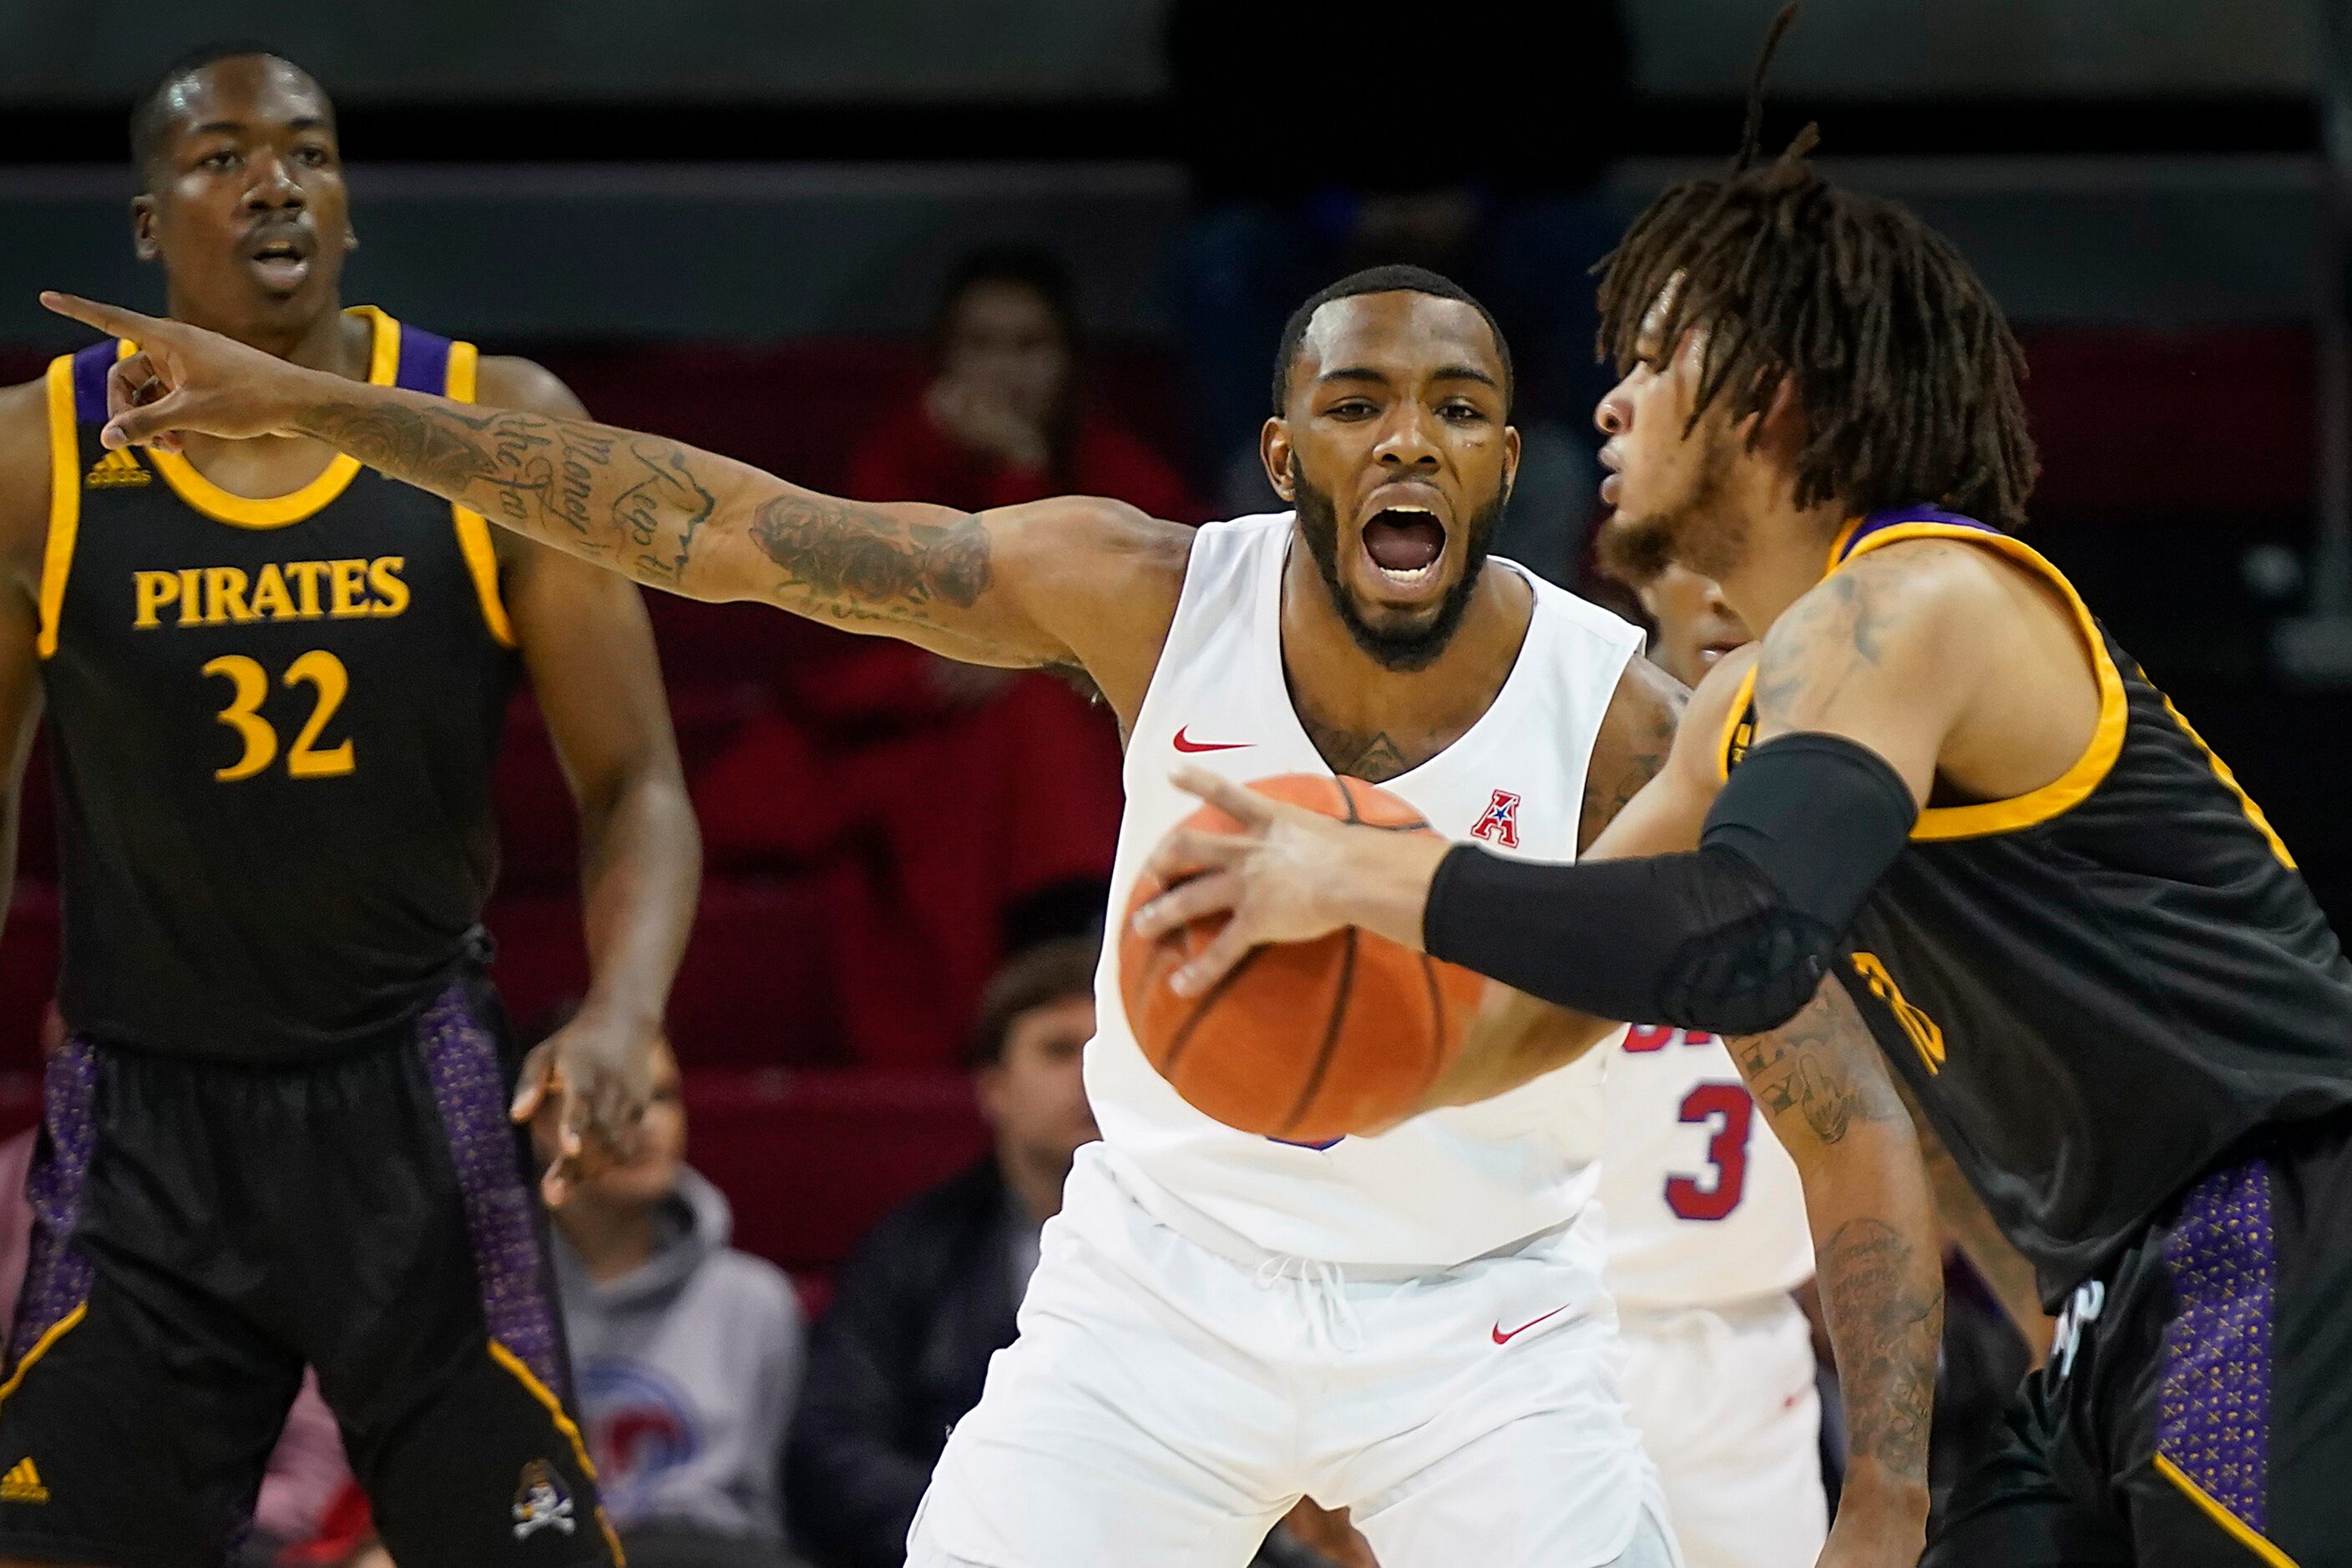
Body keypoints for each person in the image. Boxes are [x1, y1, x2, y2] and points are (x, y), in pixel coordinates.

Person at [41, 259, 1948, 1561]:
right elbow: (704, 524)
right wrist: (340, 412)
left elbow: (1848, 1110)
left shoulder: (1614, 715)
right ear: (1280, 457)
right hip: (1156, 1290)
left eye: (1455, 405)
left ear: (1500, 462)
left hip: (1490, 1326)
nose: (1404, 437)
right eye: (1355, 402)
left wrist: (1877, 1506)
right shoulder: (1135, 589)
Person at [1113, 108, 2352, 1568]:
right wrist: (1327, 1109)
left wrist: (1354, 866)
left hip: (2265, 1218)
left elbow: (1746, 933)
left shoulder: (1917, 598)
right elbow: (1553, 998)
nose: (1613, 402)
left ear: (1766, 399)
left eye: (1653, 361)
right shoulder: (1736, 714)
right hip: (2107, 1289)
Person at [3, 45, 701, 1568]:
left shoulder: (495, 420)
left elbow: (635, 777)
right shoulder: (34, 463)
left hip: (414, 1095)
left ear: (349, 207)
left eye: (309, 153)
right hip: (143, 1110)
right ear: (142, 221)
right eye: (223, 154)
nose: (274, 181)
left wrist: (623, 1009)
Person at [1591, 519, 1828, 1568]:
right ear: (1641, 569)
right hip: (1545, 1337)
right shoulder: (1555, 764)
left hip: (1752, 1349)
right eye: (1705, 559)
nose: (1731, 596)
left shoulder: (1869, 800)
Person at [786, 937, 1099, 1568]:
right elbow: (832, 1448)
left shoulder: (1200, 1245)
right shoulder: (910, 1250)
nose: (1090, 1074)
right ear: (994, 1089)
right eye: (1059, 1050)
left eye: (1107, 1053)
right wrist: (980, 1535)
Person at [538, 1026, 805, 1568]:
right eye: (612, 1096)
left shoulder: (754, 1302)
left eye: (662, 1096)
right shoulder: (485, 1306)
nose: (647, 1121)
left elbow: (780, 1508)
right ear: (541, 1123)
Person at [844, 246, 1197, 524]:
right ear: (942, 357)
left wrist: (1023, 461)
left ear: (1071, 361)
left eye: (1029, 343)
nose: (1003, 369)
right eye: (980, 343)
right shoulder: (898, 461)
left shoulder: (1113, 465)